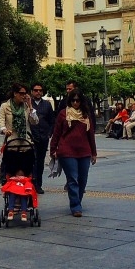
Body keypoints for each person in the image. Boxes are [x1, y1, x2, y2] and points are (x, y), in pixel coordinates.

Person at [50, 88, 97, 217]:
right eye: (73, 100)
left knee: (83, 179)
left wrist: (94, 152)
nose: (75, 103)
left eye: (78, 100)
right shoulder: (63, 114)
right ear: (69, 101)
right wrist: (53, 149)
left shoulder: (85, 115)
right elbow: (56, 133)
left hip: (84, 151)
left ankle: (78, 202)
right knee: (73, 179)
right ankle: (75, 206)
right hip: (67, 151)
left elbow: (91, 135)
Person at [29, 87, 55, 194]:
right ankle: (32, 184)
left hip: (43, 137)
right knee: (32, 161)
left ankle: (38, 184)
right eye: (35, 90)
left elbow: (52, 121)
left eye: (40, 90)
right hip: (31, 137)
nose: (38, 92)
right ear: (32, 92)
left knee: (40, 162)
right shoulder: (28, 104)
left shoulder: (47, 104)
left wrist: (49, 133)